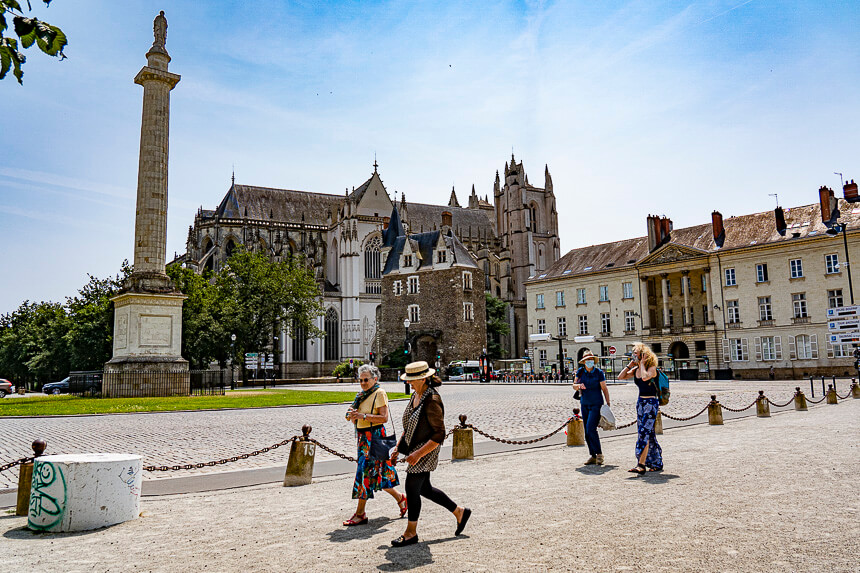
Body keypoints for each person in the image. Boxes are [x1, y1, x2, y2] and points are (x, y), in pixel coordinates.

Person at [390, 361, 471, 547]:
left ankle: (411, 533)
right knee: (424, 488)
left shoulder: (432, 399)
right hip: (414, 449)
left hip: (427, 449)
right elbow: (409, 427)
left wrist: (418, 454)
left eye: (413, 379)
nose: (409, 383)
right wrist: (398, 449)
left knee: (411, 488)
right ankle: (459, 512)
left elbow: (439, 434)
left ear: (424, 379)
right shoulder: (416, 395)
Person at [342, 364, 407, 526]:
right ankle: (401, 498)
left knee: (367, 473)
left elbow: (384, 418)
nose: (363, 383)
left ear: (375, 379)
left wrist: (362, 415)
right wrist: (352, 415)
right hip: (364, 438)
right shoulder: (361, 395)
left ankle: (360, 514)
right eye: (361, 380)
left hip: (376, 437)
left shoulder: (379, 393)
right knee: (379, 475)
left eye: (366, 380)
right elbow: (355, 416)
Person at [618, 343, 663, 474]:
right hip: (640, 403)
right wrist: (630, 365)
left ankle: (641, 464)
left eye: (636, 353)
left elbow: (645, 377)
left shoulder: (652, 368)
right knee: (648, 434)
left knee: (644, 433)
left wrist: (642, 363)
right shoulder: (636, 369)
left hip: (651, 403)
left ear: (643, 355)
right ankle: (656, 462)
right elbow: (620, 377)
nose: (634, 355)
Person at [572, 350, 611, 465]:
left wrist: (608, 403)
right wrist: (578, 385)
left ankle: (599, 454)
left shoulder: (598, 372)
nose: (589, 361)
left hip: (596, 403)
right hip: (584, 404)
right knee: (587, 431)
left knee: (591, 428)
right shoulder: (580, 372)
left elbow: (604, 388)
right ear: (583, 361)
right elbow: (574, 385)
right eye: (587, 360)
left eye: (591, 359)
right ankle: (592, 455)